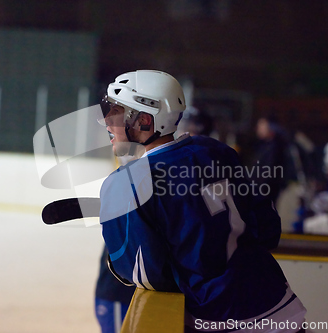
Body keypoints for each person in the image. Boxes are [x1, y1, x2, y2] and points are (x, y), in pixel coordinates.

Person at [97, 70, 306, 332]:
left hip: (219, 319)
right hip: (278, 301)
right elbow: (267, 230)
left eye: (116, 112)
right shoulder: (216, 151)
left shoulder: (127, 183)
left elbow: (148, 275)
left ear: (144, 121)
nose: (107, 122)